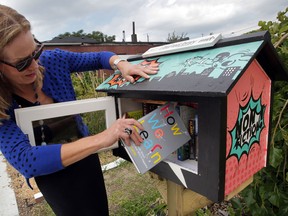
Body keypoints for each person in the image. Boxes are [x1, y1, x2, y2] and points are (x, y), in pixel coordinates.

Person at [0, 4, 158, 216]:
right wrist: (104, 137)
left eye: (35, 52)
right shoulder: (2, 104)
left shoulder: (53, 61)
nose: (34, 66)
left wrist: (120, 63)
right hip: (53, 176)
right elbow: (26, 160)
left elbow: (99, 57)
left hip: (87, 160)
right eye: (22, 63)